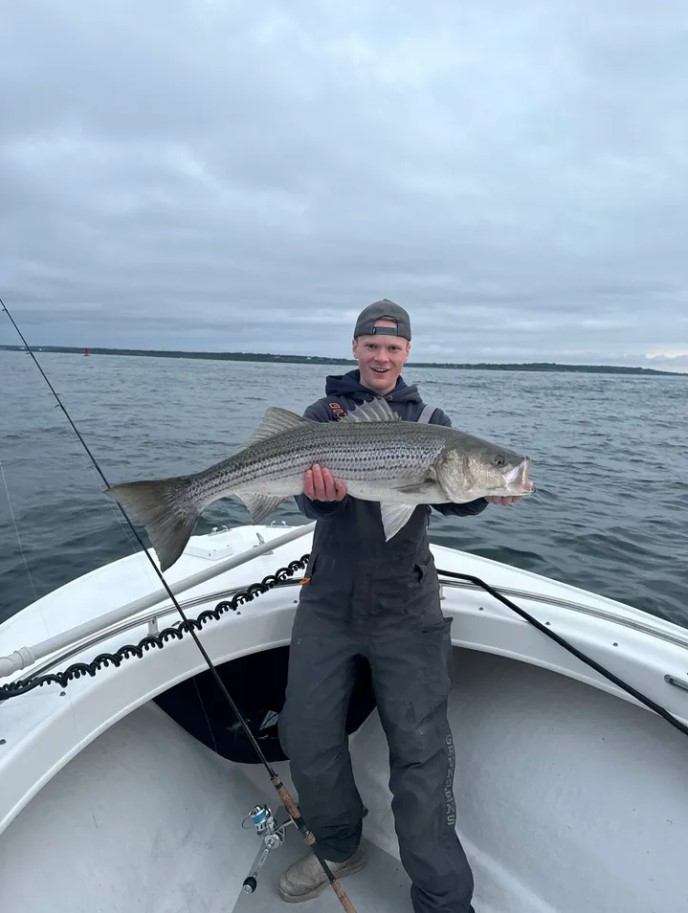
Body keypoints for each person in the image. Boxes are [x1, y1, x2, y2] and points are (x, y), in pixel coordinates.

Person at [277, 300, 522, 912]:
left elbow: (449, 497)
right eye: (371, 345)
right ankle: (338, 845)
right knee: (305, 734)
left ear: (407, 352)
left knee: (420, 753)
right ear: (356, 348)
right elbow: (312, 507)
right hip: (328, 599)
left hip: (406, 605)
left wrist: (488, 487)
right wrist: (325, 499)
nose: (382, 357)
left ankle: (441, 899)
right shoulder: (321, 416)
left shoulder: (433, 423)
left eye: (393, 347)